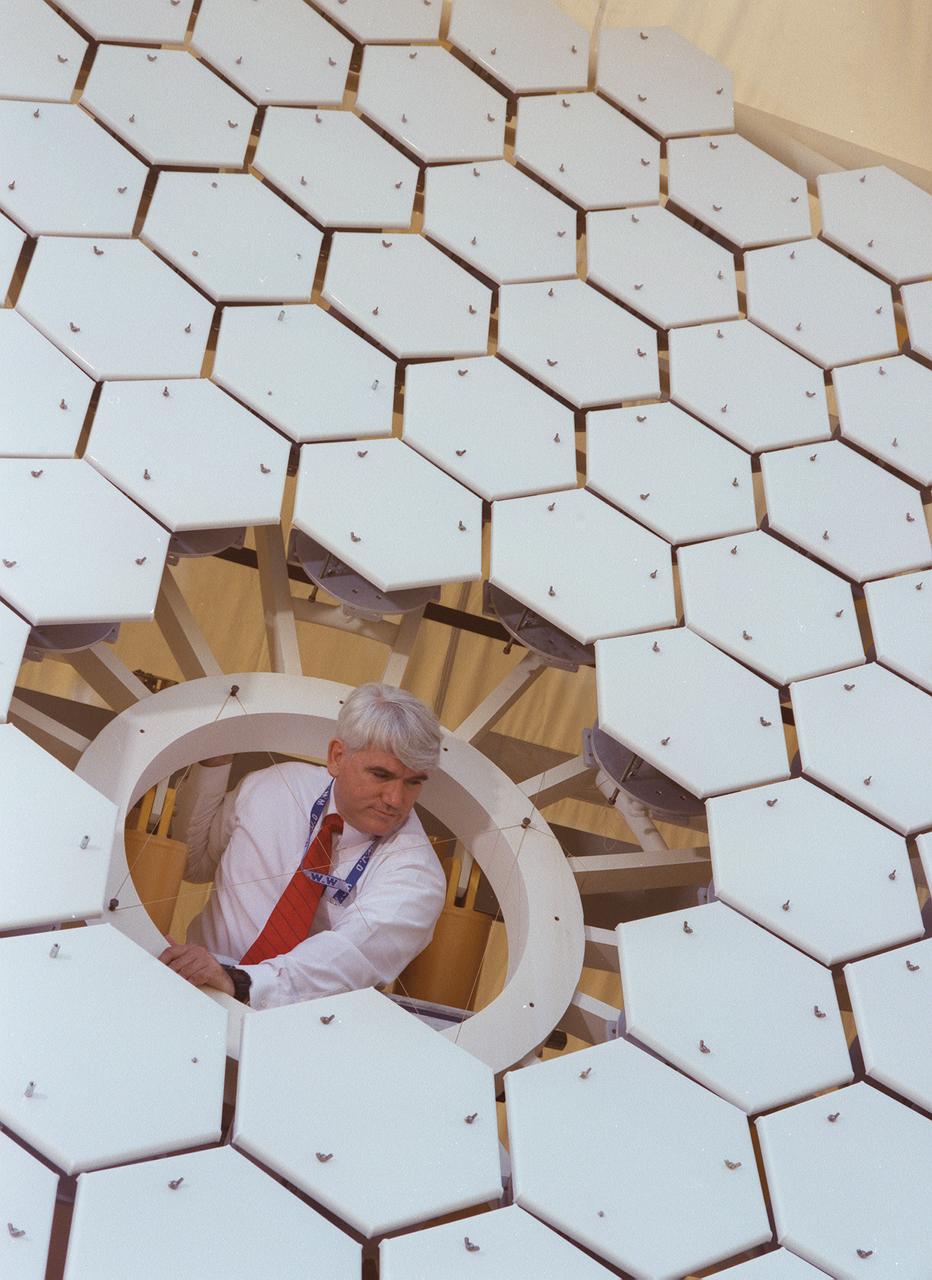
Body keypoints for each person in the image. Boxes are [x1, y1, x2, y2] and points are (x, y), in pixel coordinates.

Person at [159, 683, 447, 1009]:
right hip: (193, 992)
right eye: (381, 775)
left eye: (413, 782)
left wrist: (236, 981)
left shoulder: (417, 872)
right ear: (337, 756)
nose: (395, 800)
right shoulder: (273, 786)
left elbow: (346, 958)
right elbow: (194, 866)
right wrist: (213, 763)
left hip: (303, 1029)